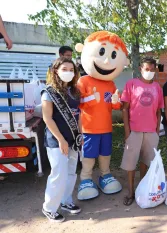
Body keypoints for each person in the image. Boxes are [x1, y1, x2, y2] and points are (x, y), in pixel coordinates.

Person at [76, 31, 128, 200]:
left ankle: (105, 175)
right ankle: (86, 178)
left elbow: (115, 106)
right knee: (89, 155)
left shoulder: (111, 84)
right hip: (89, 129)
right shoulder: (83, 81)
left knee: (105, 154)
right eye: (102, 53)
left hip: (106, 128)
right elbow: (77, 102)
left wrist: (115, 101)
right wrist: (91, 98)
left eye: (113, 55)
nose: (106, 61)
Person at [41, 57, 81, 223]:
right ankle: (49, 208)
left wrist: (80, 135)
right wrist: (60, 139)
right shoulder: (48, 92)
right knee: (58, 174)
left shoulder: (74, 91)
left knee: (71, 172)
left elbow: (78, 115)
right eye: (64, 69)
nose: (68, 73)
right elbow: (47, 118)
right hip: (56, 141)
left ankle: (66, 201)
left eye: (71, 70)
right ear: (56, 71)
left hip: (73, 140)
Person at [120, 57, 164, 206]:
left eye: (152, 70)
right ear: (141, 69)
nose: (149, 72)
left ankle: (142, 188)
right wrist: (127, 130)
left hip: (151, 131)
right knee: (131, 163)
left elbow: (159, 110)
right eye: (147, 69)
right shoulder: (131, 84)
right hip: (134, 130)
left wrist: (157, 129)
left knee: (147, 162)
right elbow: (124, 108)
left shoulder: (157, 87)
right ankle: (131, 191)